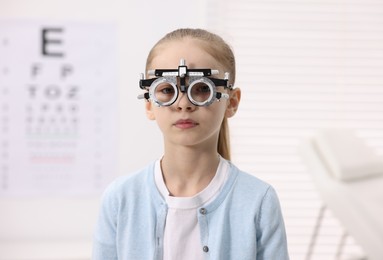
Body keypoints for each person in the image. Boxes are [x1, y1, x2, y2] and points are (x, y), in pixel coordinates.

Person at [92, 28, 289, 260]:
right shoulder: (120, 198)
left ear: (232, 102)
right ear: (149, 104)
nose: (183, 103)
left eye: (202, 89)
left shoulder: (258, 200)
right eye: (167, 90)